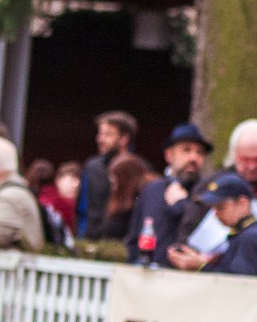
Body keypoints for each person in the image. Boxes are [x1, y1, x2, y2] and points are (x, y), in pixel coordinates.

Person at [170, 120, 257, 272]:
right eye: (245, 159)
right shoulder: (211, 184)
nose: (252, 166)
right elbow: (187, 230)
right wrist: (199, 257)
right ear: (234, 155)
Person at [123, 124, 209, 267]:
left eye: (200, 152)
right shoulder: (152, 190)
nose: (193, 157)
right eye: (186, 150)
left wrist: (180, 206)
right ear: (169, 155)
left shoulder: (208, 194)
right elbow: (134, 238)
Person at [192, 173, 257, 277]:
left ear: (242, 204)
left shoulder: (249, 238)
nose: (215, 214)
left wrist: (200, 266)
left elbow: (238, 282)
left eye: (220, 207)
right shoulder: (242, 234)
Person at [79, 111, 140, 237]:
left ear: (124, 139)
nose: (100, 139)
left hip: (124, 243)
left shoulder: (139, 170)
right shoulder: (92, 167)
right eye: (100, 134)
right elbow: (82, 209)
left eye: (107, 134)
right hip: (92, 241)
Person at [91, 155, 152, 242]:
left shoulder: (142, 203)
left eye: (115, 182)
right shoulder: (119, 199)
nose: (113, 187)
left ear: (126, 181)